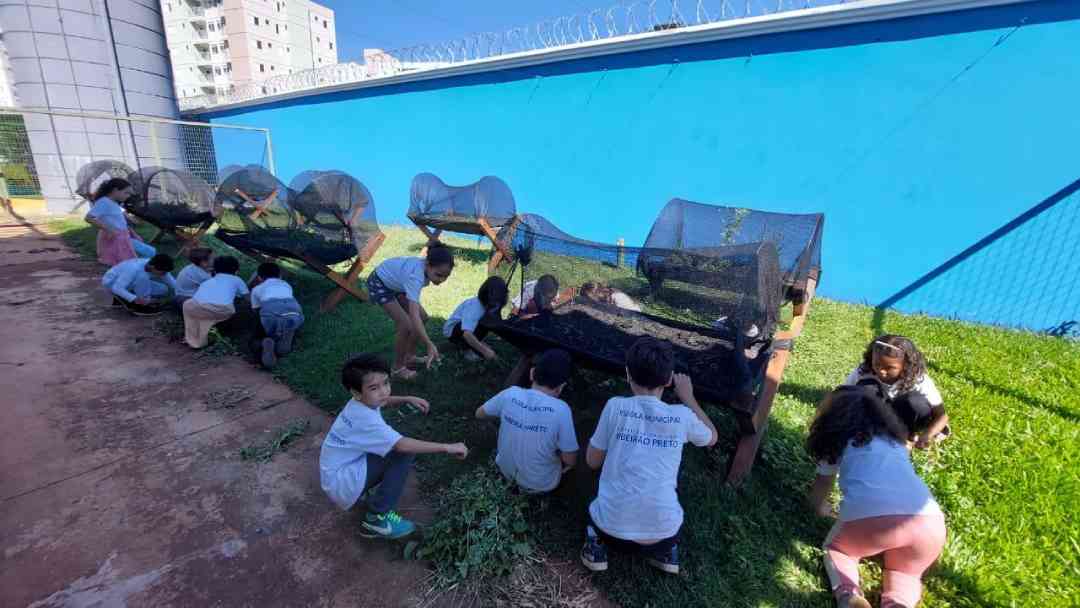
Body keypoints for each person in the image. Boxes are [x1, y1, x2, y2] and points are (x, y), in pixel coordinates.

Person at [581, 337, 718, 575]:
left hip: (610, 532)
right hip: (663, 535)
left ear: (627, 374)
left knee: (594, 509)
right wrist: (689, 397)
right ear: (668, 380)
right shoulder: (682, 416)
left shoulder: (615, 406)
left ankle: (596, 545)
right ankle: (666, 554)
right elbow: (712, 437)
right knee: (667, 520)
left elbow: (592, 461)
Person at [806, 386, 946, 608]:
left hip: (873, 516)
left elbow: (820, 491)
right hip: (931, 521)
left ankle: (849, 596)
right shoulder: (896, 442)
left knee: (839, 550)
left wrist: (820, 508)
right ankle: (898, 603)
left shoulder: (837, 442)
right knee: (905, 574)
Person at [320, 353, 469, 539]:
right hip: (342, 484)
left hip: (336, 475)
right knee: (403, 453)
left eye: (386, 383)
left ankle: (367, 496)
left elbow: (381, 401)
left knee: (393, 450)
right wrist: (447, 447)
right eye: (374, 387)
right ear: (356, 392)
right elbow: (402, 446)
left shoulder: (359, 403)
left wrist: (407, 398)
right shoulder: (365, 420)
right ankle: (376, 519)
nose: (384, 391)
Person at [475, 349, 578, 493]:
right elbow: (570, 459)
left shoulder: (511, 393)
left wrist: (507, 416)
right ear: (561, 387)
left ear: (531, 373)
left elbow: (479, 414)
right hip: (541, 485)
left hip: (506, 472)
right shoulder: (562, 410)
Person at [843, 335, 949, 448]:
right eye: (876, 364)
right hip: (877, 417)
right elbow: (841, 396)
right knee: (865, 389)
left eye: (889, 368)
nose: (881, 371)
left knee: (915, 402)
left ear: (906, 365)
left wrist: (926, 436)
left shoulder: (918, 379)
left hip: (906, 418)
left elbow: (942, 416)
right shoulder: (864, 371)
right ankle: (871, 433)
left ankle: (907, 436)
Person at [366, 244, 454, 380]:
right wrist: (429, 343)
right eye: (438, 275)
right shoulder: (415, 277)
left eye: (446, 276)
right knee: (405, 325)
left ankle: (409, 356)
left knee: (423, 317)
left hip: (397, 284)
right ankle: (397, 368)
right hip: (380, 284)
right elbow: (413, 315)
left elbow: (418, 316)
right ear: (427, 264)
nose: (441, 280)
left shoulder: (423, 269)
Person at [84, 178, 155, 266]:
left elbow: (119, 213)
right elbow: (89, 218)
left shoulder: (113, 202)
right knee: (144, 254)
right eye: (126, 193)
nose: (128, 196)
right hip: (115, 237)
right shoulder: (104, 202)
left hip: (123, 236)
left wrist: (131, 219)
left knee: (148, 252)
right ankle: (142, 270)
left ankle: (143, 268)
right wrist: (109, 229)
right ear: (115, 190)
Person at [182, 255, 248, 349]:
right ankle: (209, 334)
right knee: (233, 309)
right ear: (236, 270)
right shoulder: (237, 280)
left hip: (194, 307)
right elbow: (247, 297)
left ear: (215, 270)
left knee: (189, 305)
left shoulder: (207, 281)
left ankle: (193, 336)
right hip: (220, 311)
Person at [250, 262, 304, 369]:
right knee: (288, 321)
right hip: (295, 311)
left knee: (262, 328)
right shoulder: (286, 284)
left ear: (259, 278)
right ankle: (283, 344)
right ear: (280, 276)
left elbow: (255, 310)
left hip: (271, 311)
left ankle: (266, 342)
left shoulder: (257, 289)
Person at [443, 276, 508, 362]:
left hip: (468, 329)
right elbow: (467, 334)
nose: (495, 305)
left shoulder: (490, 306)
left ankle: (476, 343)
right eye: (494, 301)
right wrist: (485, 351)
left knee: (487, 321)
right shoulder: (475, 307)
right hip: (454, 332)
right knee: (478, 326)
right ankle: (466, 349)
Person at [101, 253, 177, 316]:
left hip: (129, 283)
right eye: (163, 272)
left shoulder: (157, 267)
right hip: (111, 283)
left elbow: (174, 284)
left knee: (163, 289)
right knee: (142, 278)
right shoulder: (134, 268)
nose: (164, 274)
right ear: (152, 267)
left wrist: (183, 294)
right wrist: (135, 299)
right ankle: (140, 306)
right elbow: (117, 288)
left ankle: (124, 297)